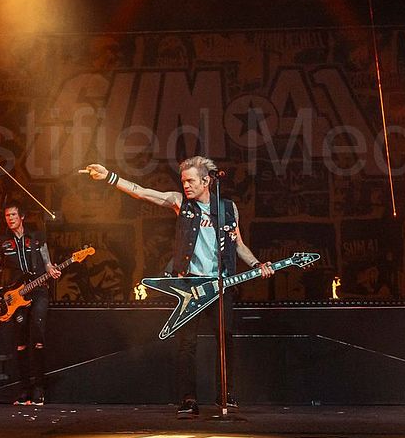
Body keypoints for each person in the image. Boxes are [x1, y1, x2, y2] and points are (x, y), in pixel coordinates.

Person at [81, 156, 274, 417]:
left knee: (225, 339)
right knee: (187, 344)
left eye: (191, 181)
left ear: (206, 181)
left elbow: (238, 244)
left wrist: (257, 264)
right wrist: (109, 177)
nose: (186, 185)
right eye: (183, 181)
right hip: (190, 285)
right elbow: (143, 193)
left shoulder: (228, 208)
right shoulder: (180, 203)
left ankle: (225, 395)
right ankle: (188, 399)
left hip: (220, 284)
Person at [0, 203, 60, 405]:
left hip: (38, 291)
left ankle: (39, 388)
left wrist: (52, 270)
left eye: (13, 215)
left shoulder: (36, 238)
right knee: (20, 342)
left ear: (22, 216)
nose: (10, 218)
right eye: (7, 216)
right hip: (17, 296)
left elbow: (47, 263)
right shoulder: (2, 243)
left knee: (37, 334)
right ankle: (24, 389)